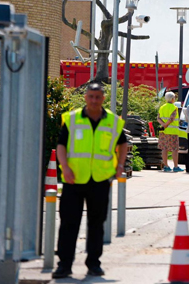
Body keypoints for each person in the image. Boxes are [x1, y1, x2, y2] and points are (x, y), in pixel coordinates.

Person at [53, 82, 127, 279]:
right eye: (91, 96)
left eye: (98, 97)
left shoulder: (112, 121)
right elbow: (61, 146)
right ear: (86, 97)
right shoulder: (72, 119)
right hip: (74, 179)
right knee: (69, 223)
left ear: (103, 99)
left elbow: (123, 144)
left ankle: (94, 263)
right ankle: (64, 265)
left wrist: (120, 166)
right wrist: (65, 167)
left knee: (97, 224)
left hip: (100, 179)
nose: (94, 100)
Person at [157, 92, 183, 172]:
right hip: (172, 132)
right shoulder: (174, 107)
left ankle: (166, 166)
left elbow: (158, 118)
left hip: (163, 132)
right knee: (175, 149)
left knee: (164, 148)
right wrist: (166, 125)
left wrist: (163, 125)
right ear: (172, 99)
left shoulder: (162, 107)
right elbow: (172, 118)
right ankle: (175, 166)